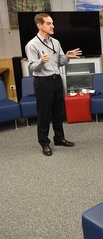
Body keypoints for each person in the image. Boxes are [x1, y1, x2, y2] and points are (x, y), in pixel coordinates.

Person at [25, 13, 82, 156]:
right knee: (44, 114)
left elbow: (60, 62)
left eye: (52, 23)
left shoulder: (55, 42)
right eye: (49, 23)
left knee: (58, 112)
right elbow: (31, 67)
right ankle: (44, 143)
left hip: (57, 79)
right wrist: (40, 61)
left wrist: (67, 56)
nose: (52, 26)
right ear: (40, 25)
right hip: (43, 82)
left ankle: (59, 138)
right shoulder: (32, 45)